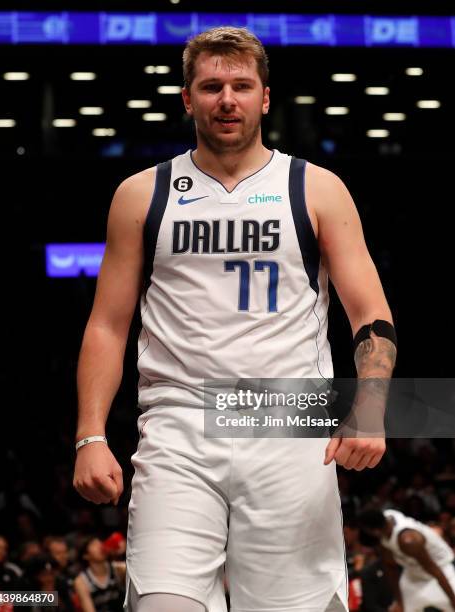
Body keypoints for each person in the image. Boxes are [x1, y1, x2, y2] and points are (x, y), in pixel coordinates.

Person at [73, 26, 397, 612]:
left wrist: (370, 406)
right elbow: (106, 326)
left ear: (264, 98)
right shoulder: (141, 194)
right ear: (187, 97)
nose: (227, 99)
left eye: (242, 86)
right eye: (212, 86)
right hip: (178, 425)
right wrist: (90, 436)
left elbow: (370, 313)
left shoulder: (317, 188)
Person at [358, 507, 455, 611]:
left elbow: (435, 570)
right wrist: (400, 602)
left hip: (442, 569)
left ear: (373, 531)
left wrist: (453, 600)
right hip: (413, 573)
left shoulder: (408, 541)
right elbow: (391, 568)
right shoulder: (385, 520)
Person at [73, 536, 125, 612]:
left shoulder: (117, 569)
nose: (100, 546)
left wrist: (122, 552)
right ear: (85, 556)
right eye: (94, 544)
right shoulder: (81, 581)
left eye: (99, 543)